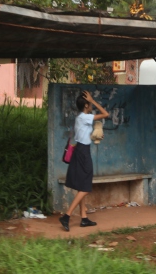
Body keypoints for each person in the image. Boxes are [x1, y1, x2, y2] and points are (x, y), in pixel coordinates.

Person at [59, 90, 110, 231]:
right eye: (90, 104)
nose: (91, 106)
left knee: (82, 185)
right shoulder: (84, 117)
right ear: (86, 105)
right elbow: (106, 114)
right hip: (83, 153)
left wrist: (96, 137)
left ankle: (84, 218)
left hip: (81, 151)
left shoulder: (81, 118)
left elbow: (86, 135)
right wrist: (93, 100)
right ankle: (67, 216)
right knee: (86, 186)